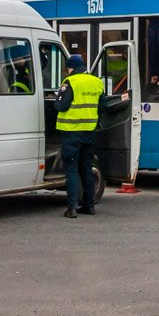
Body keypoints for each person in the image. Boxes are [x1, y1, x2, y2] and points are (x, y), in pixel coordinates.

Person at [54, 53, 105, 218]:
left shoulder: (70, 82)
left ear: (71, 68)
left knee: (71, 169)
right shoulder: (97, 82)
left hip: (71, 133)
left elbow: (60, 105)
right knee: (86, 168)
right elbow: (102, 106)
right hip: (89, 132)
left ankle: (72, 208)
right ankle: (89, 206)